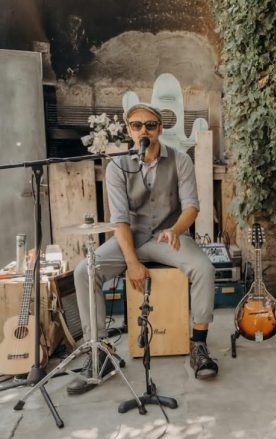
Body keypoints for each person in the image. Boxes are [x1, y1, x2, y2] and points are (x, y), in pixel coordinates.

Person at [68, 103, 218, 395]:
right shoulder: (117, 166)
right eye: (136, 125)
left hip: (166, 237)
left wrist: (176, 231)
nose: (143, 131)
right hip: (131, 237)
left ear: (160, 128)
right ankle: (100, 353)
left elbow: (192, 206)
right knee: (85, 271)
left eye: (150, 125)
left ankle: (199, 345)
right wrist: (132, 263)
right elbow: (120, 220)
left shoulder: (180, 160)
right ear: (129, 130)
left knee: (204, 268)